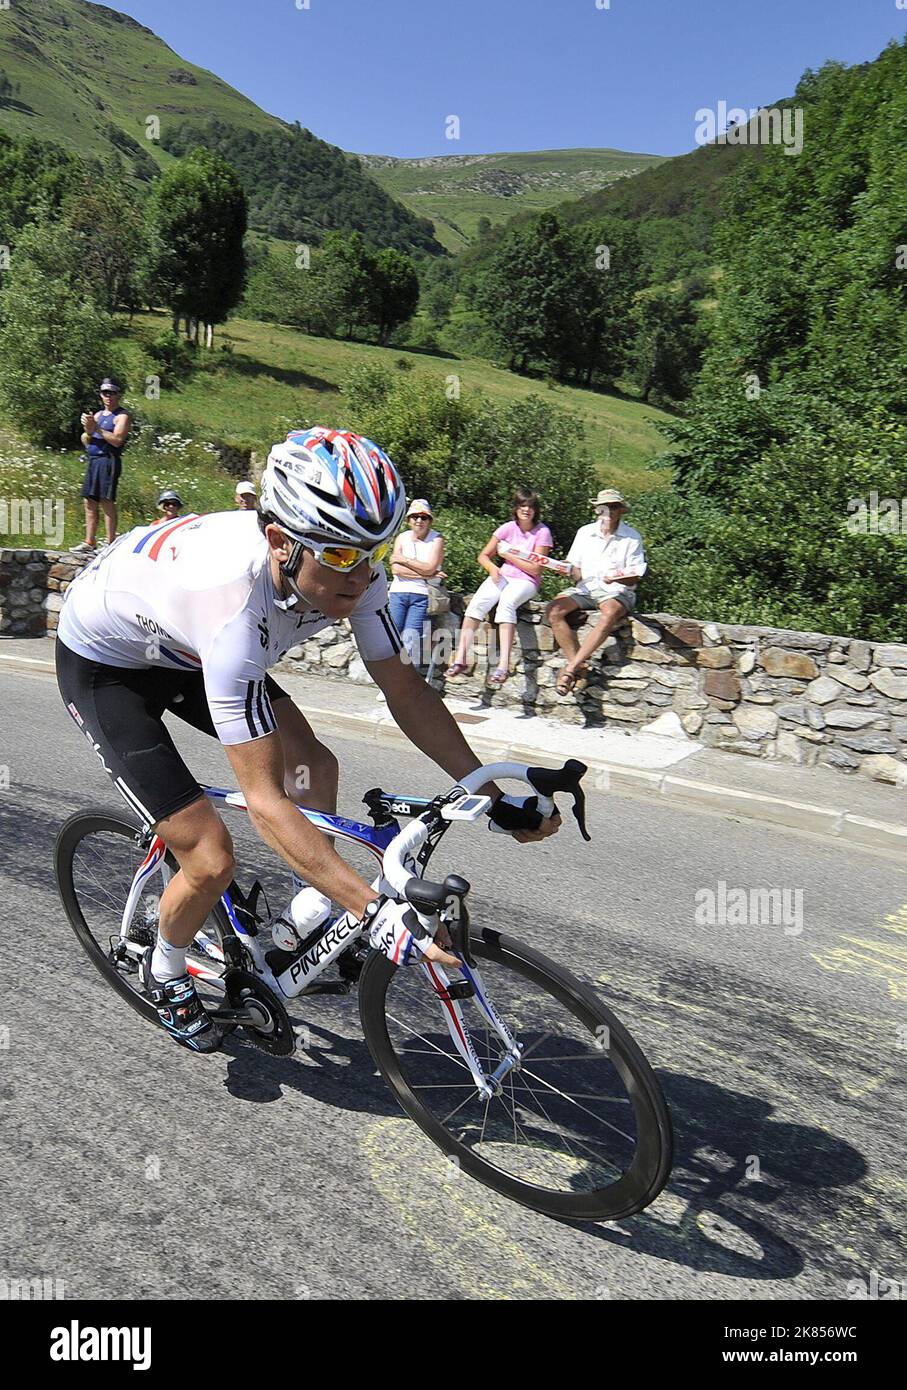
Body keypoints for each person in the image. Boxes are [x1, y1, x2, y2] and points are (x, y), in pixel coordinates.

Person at [55, 427, 559, 1053]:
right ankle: (165, 970)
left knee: (316, 762)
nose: (363, 575)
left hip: (179, 645)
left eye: (374, 553)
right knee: (209, 855)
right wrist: (374, 913)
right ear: (280, 542)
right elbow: (266, 803)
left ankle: (303, 920)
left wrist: (486, 789)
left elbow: (405, 693)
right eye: (342, 556)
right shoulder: (233, 609)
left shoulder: (352, 569)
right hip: (108, 666)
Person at [546, 488, 647, 696]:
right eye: (604, 507)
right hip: (586, 588)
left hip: (617, 590)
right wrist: (562, 568)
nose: (608, 512)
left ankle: (570, 669)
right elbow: (575, 570)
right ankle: (579, 667)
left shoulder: (632, 537)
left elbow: (635, 576)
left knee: (609, 612)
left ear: (620, 510)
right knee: (554, 610)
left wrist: (617, 577)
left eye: (612, 507)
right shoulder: (585, 532)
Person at [447, 487, 552, 685]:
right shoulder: (507, 528)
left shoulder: (543, 532)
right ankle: (460, 658)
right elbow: (483, 555)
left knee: (506, 604)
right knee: (476, 605)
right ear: (516, 508)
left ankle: (503, 665)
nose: (526, 510)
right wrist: (492, 568)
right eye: (522, 506)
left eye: (530, 506)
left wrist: (508, 555)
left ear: (536, 510)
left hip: (526, 581)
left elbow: (536, 568)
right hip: (502, 575)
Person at [73, 378, 130, 555]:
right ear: (101, 395)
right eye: (106, 393)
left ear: (118, 394)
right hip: (94, 460)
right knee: (89, 501)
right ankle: (89, 541)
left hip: (108, 460)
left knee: (106, 500)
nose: (109, 396)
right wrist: (88, 429)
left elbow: (118, 440)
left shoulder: (122, 416)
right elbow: (86, 438)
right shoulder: (97, 415)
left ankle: (110, 541)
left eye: (112, 393)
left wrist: (96, 429)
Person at [388, 499, 445, 672]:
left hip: (420, 595)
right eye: (414, 517)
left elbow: (429, 566)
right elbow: (396, 570)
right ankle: (388, 682)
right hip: (398, 592)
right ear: (408, 520)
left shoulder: (437, 539)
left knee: (411, 639)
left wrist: (404, 560)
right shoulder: (402, 537)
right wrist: (426, 574)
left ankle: (405, 684)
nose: (419, 521)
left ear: (430, 520)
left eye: (423, 517)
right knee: (392, 637)